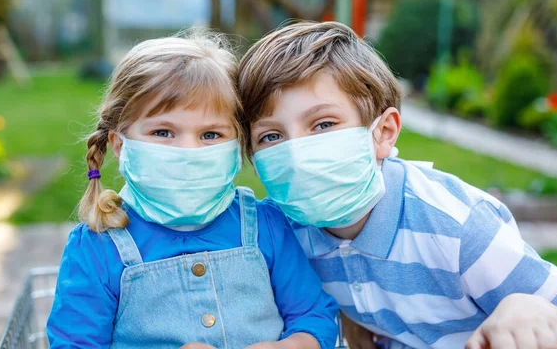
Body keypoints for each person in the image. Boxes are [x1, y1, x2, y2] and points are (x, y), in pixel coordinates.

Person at [236, 21, 557, 349]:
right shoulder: (288, 230)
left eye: (323, 124)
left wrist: (524, 305)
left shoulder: (455, 226)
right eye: (272, 136)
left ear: (383, 133)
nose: (297, 154)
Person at [46, 30, 338, 349]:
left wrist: (288, 346)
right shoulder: (97, 248)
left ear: (238, 143)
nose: (189, 150)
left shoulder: (267, 226)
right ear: (120, 145)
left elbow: (313, 314)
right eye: (163, 132)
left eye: (210, 134)